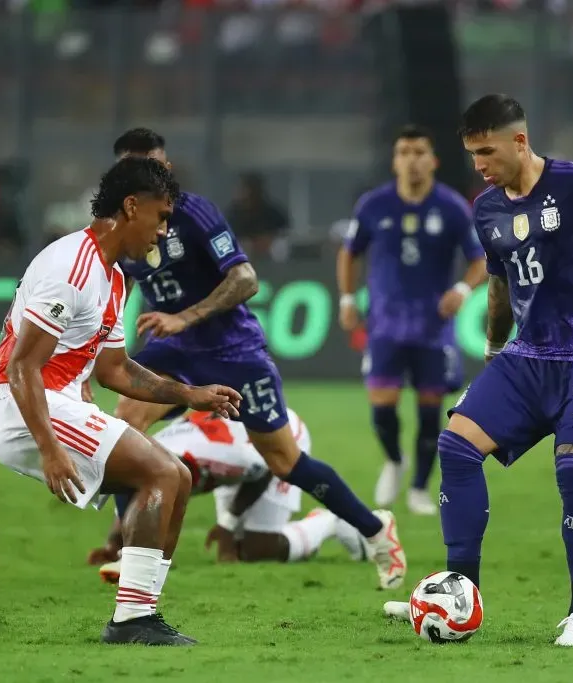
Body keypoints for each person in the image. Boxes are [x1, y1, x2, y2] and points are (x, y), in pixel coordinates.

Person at [380, 95, 573, 646]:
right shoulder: (487, 208)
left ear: (519, 141)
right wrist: (495, 353)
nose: (479, 164)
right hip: (530, 355)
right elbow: (499, 286)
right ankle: (459, 592)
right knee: (456, 445)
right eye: (472, 153)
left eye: (487, 151)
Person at [104, 128, 406, 591]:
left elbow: (245, 279)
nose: (157, 177)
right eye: (143, 169)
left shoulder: (194, 213)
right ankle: (131, 554)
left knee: (284, 461)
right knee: (126, 427)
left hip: (232, 350)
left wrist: (186, 317)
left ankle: (374, 530)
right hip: (174, 352)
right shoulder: (120, 224)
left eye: (161, 167)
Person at [0, 156, 242, 647]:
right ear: (131, 206)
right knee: (161, 475)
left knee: (179, 478)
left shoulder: (114, 278)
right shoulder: (71, 267)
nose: (164, 231)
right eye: (161, 217)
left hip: (52, 404)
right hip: (24, 408)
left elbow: (115, 371)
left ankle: (142, 613)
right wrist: (50, 449)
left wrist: (190, 394)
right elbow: (21, 367)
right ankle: (131, 622)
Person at [337, 125, 488, 515]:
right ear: (395, 160)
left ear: (433, 160)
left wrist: (462, 290)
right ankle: (394, 460)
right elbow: (349, 252)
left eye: (419, 151)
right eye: (404, 152)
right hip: (385, 324)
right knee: (382, 406)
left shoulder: (452, 207)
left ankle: (420, 488)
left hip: (432, 327)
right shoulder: (374, 205)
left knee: (429, 410)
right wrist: (348, 298)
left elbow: (480, 259)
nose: (412, 159)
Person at [88, 408, 371, 581]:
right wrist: (115, 543)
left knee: (257, 549)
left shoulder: (222, 458)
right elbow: (132, 488)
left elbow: (262, 469)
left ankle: (330, 522)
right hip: (230, 444)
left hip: (275, 443)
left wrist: (226, 526)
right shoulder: (152, 455)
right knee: (237, 547)